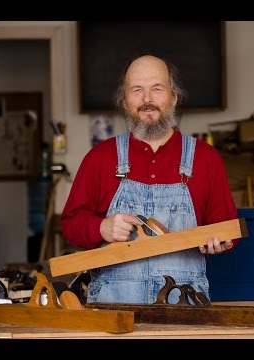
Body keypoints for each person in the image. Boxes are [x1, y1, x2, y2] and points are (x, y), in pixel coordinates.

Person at [61, 55, 239, 304]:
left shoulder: (206, 159)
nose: (147, 100)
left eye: (157, 89)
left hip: (184, 309)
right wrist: (101, 227)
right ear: (124, 101)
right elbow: (70, 223)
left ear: (173, 97)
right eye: (137, 90)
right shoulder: (99, 158)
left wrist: (222, 241)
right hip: (112, 314)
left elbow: (227, 227)